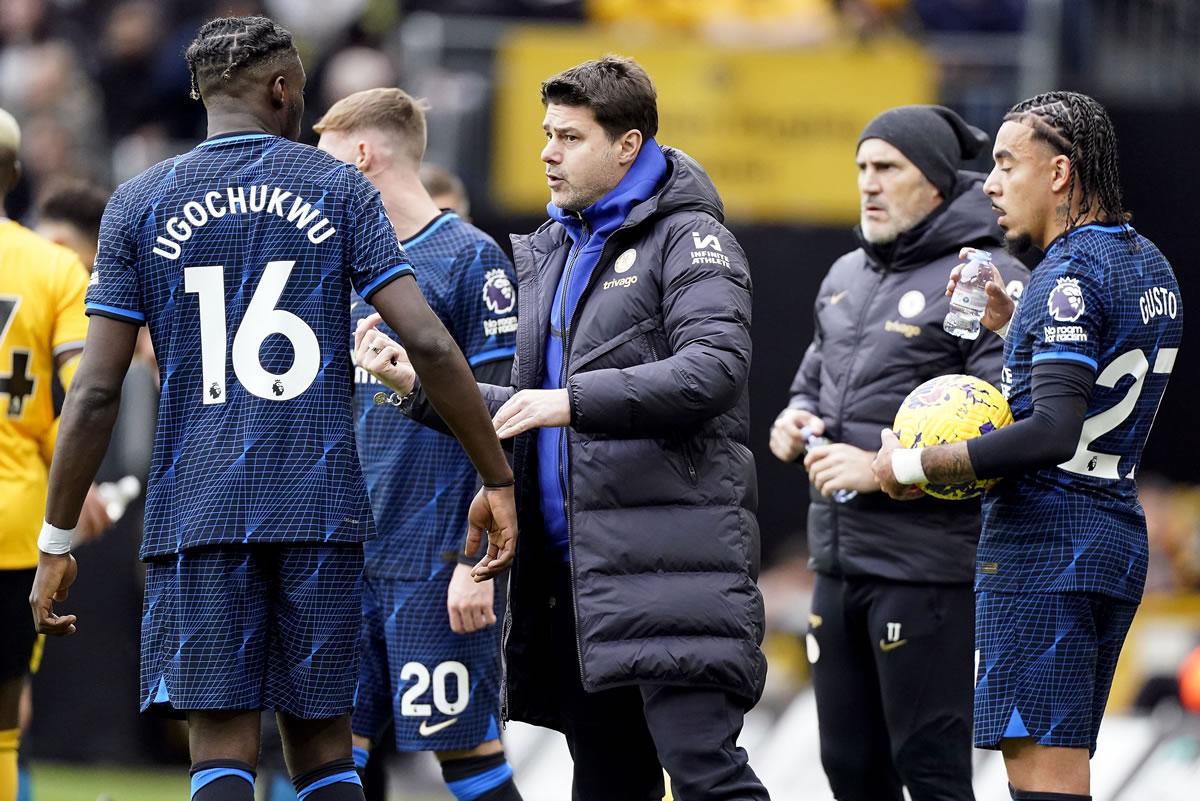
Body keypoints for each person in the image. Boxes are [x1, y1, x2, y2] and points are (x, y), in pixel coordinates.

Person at [26, 16, 517, 801]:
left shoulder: (139, 202)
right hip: (317, 508)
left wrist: (55, 539)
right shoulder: (339, 188)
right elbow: (428, 340)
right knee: (323, 749)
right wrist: (497, 477)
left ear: (200, 94)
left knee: (221, 746)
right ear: (284, 89)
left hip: (200, 511)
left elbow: (94, 391)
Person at [355, 55, 768, 801]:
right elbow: (525, 404)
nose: (548, 152)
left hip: (670, 569)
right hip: (573, 581)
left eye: (570, 137)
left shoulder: (690, 238)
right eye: (547, 134)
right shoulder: (554, 247)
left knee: (706, 776)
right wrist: (416, 383)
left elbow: (714, 369)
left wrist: (569, 400)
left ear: (628, 145)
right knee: (606, 785)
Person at [873, 92, 1184, 801]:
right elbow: (1096, 382)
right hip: (1111, 532)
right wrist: (1014, 325)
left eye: (1007, 163)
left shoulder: (1063, 276)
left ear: (1059, 173)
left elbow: (1051, 430)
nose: (990, 183)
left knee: (1042, 778)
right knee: (1062, 769)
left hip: (1044, 548)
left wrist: (911, 464)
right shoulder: (1151, 266)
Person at [770, 105, 1028, 801]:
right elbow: (810, 385)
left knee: (931, 773)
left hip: (926, 568)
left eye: (887, 167)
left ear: (937, 182)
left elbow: (1001, 425)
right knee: (849, 771)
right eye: (862, 167)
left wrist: (879, 471)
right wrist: (793, 421)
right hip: (837, 561)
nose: (869, 182)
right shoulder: (844, 274)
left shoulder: (981, 277)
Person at [313, 87, 522, 801]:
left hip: (435, 560)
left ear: (362, 156)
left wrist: (474, 564)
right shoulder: (346, 265)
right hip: (350, 557)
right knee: (327, 757)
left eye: (326, 158)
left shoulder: (471, 261)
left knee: (465, 757)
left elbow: (504, 419)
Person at [0, 108, 112, 801]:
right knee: (4, 724)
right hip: (12, 523)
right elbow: (83, 394)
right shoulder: (52, 267)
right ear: (14, 174)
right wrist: (70, 494)